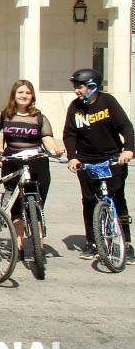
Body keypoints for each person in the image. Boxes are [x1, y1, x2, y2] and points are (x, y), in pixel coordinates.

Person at [62, 68, 134, 262]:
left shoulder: (108, 102)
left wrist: (128, 149)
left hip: (112, 158)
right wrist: (73, 157)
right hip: (86, 161)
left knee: (117, 198)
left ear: (92, 86)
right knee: (89, 200)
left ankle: (126, 243)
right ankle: (92, 242)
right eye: (75, 87)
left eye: (80, 87)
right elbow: (69, 134)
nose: (76, 90)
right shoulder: (74, 107)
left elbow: (126, 126)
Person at [0, 79, 63, 254]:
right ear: (14, 95)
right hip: (12, 163)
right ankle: (19, 244)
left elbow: (47, 138)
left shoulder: (39, 117)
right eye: (20, 92)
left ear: (32, 96)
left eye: (27, 93)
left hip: (37, 163)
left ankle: (38, 247)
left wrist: (54, 149)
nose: (24, 96)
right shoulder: (5, 115)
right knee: (16, 206)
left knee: (37, 205)